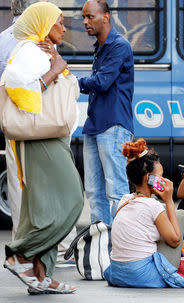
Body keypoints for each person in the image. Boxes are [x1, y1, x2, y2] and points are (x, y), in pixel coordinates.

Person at [2, 2, 84, 294]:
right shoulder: (26, 51)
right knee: (72, 200)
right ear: (43, 23)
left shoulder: (45, 52)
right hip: (41, 139)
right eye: (59, 22)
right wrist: (54, 71)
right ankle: (20, 253)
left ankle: (41, 276)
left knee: (45, 209)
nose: (65, 27)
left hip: (54, 136)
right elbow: (19, 91)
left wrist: (59, 66)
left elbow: (69, 90)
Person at [104, 139, 184, 288]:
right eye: (160, 176)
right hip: (142, 276)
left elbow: (161, 217)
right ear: (149, 179)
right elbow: (174, 240)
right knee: (180, 216)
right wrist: (169, 200)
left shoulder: (125, 200)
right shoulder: (152, 205)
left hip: (118, 273)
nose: (164, 180)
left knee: (181, 214)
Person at [78, 0, 134, 225]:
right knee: (93, 191)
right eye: (83, 17)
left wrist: (72, 83)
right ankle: (99, 248)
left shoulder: (119, 45)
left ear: (106, 17)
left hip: (113, 125)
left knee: (116, 190)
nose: (84, 22)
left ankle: (119, 247)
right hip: (94, 125)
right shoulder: (101, 47)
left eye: (90, 16)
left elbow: (102, 82)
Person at [0, 0, 45, 238]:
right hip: (37, 120)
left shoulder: (3, 40)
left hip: (12, 121)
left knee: (17, 180)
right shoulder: (36, 40)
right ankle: (41, 237)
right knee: (40, 181)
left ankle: (21, 236)